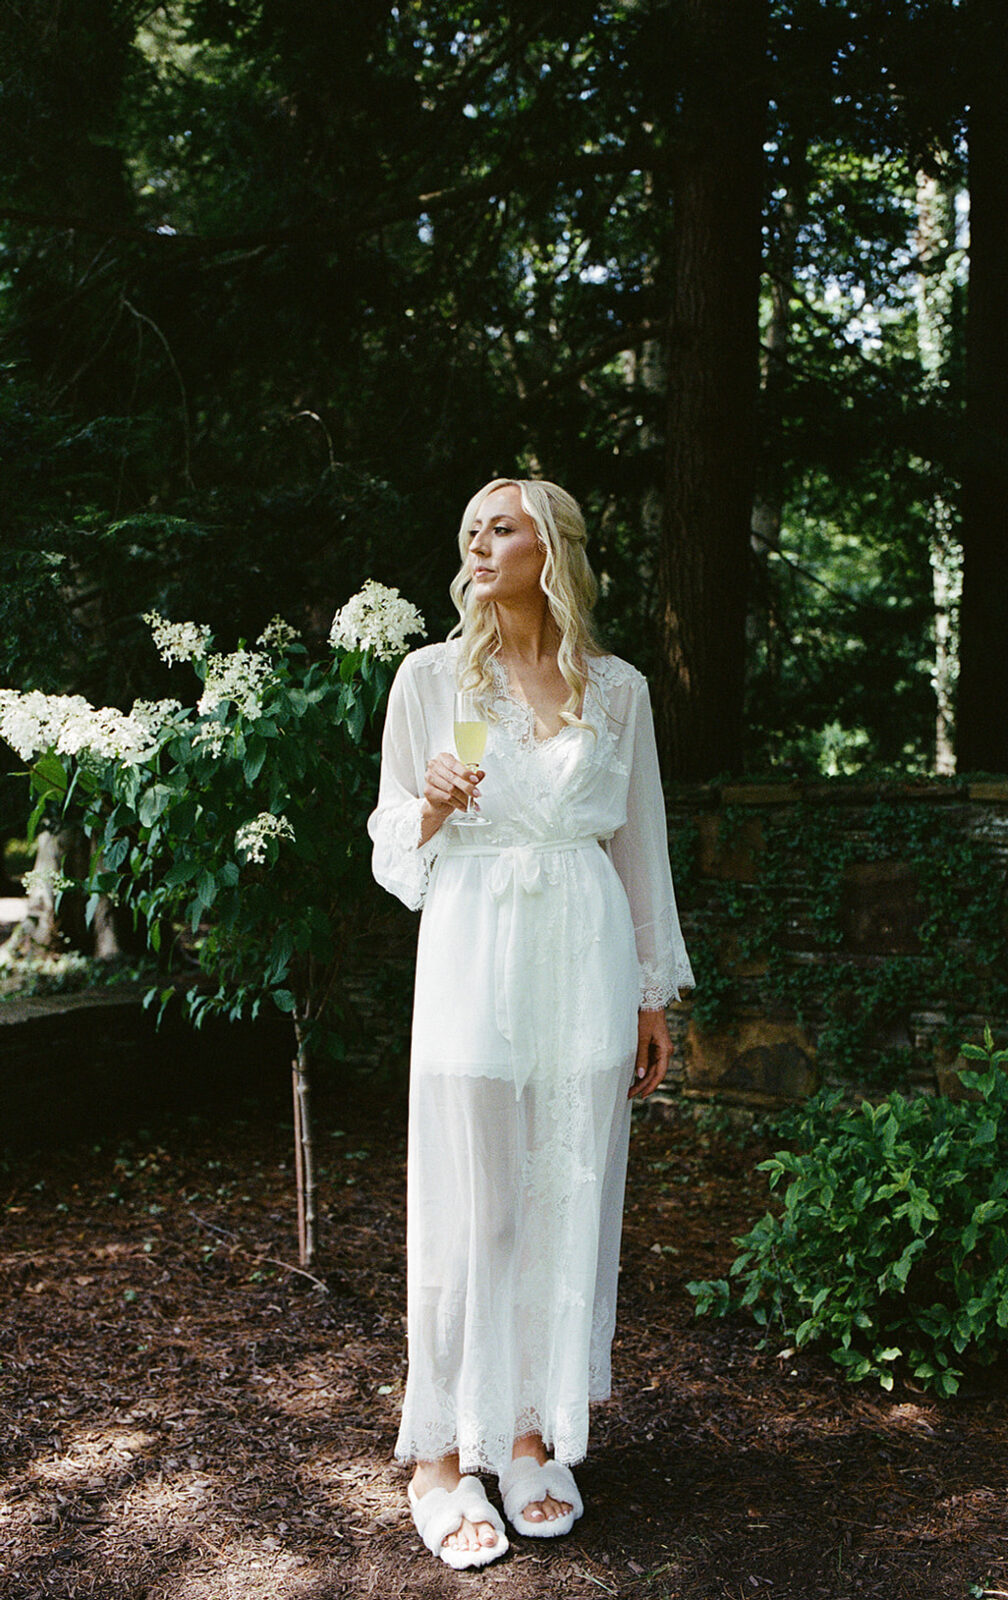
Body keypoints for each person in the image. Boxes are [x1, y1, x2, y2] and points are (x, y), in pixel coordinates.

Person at [367, 477, 693, 1569]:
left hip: (586, 960)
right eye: (467, 526)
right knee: (472, 1207)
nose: (476, 539)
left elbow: (636, 843)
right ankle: (440, 1458)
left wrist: (650, 989)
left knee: (566, 1193)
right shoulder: (431, 678)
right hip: (471, 955)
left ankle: (526, 1433)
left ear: (552, 546)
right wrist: (431, 804)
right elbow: (389, 852)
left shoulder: (619, 691)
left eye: (498, 525)